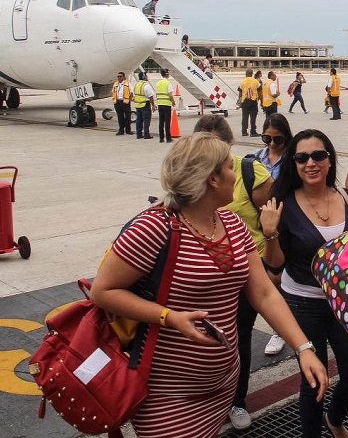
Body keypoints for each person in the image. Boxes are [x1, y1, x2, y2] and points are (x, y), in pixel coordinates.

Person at [89, 132, 328, 438]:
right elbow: (103, 291)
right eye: (230, 168)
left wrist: (303, 347)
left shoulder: (231, 223)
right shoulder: (153, 227)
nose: (235, 176)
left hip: (221, 386)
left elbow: (265, 292)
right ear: (213, 179)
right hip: (168, 393)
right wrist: (168, 316)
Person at [261, 130, 348, 438]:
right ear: (293, 164)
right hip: (302, 302)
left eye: (318, 156)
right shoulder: (283, 205)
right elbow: (275, 266)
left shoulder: (346, 198)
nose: (311, 163)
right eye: (302, 157)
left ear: (330, 160)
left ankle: (334, 419)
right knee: (314, 381)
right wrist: (270, 233)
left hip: (343, 302)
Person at [191, 115, 275, 430]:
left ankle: (236, 399)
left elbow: (272, 216)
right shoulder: (186, 184)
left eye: (220, 154)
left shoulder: (249, 172)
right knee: (202, 339)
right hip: (203, 276)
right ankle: (207, 397)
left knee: (237, 337)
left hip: (245, 271)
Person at [249, 113, 294, 357]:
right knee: (263, 278)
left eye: (278, 139)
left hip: (285, 224)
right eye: (267, 138)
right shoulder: (256, 159)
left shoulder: (292, 160)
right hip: (259, 227)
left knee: (278, 279)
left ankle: (280, 329)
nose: (272, 144)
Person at [134, 71, 157, 140]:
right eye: (146, 76)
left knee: (139, 120)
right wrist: (153, 105)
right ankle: (146, 134)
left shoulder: (136, 84)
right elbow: (151, 97)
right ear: (144, 77)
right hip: (145, 104)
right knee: (146, 120)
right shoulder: (146, 86)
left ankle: (139, 134)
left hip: (138, 104)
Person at [155, 69, 176, 143]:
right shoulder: (168, 83)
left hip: (160, 104)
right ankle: (168, 138)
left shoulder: (158, 83)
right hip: (167, 104)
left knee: (161, 121)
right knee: (167, 122)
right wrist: (173, 102)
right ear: (167, 74)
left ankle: (161, 138)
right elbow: (170, 95)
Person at [239, 69, 260, 137]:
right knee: (253, 117)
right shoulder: (256, 81)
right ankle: (253, 131)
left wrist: (239, 101)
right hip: (253, 100)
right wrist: (261, 101)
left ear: (246, 74)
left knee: (245, 116)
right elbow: (260, 91)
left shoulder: (242, 82)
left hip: (244, 101)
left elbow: (240, 92)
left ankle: (244, 131)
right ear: (252, 74)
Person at [112, 71, 133, 136]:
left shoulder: (128, 84)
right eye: (118, 76)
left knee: (127, 117)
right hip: (118, 102)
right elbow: (113, 92)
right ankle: (121, 130)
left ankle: (128, 130)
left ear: (124, 77)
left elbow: (131, 93)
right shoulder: (115, 84)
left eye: (120, 76)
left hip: (125, 102)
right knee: (120, 117)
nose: (119, 78)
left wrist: (129, 101)